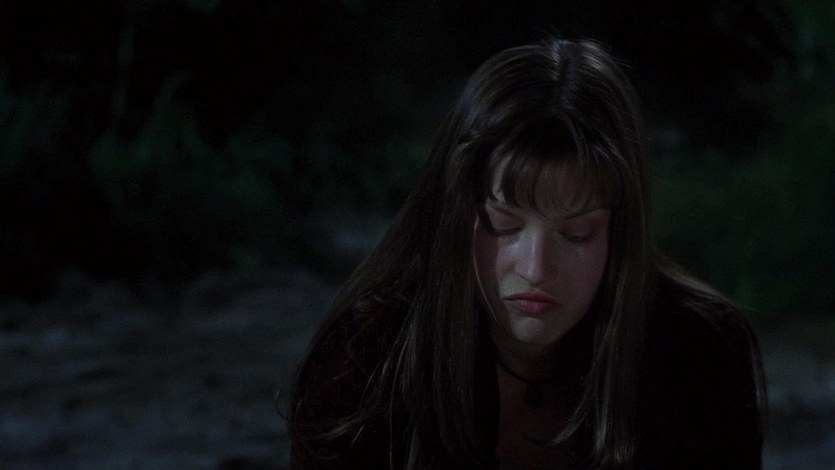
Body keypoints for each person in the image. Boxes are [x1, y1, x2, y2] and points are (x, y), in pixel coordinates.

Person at [286, 37, 766, 469]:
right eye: (503, 225)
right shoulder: (368, 358)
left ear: (620, 235)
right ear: (456, 217)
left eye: (576, 234)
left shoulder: (699, 352)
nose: (535, 268)